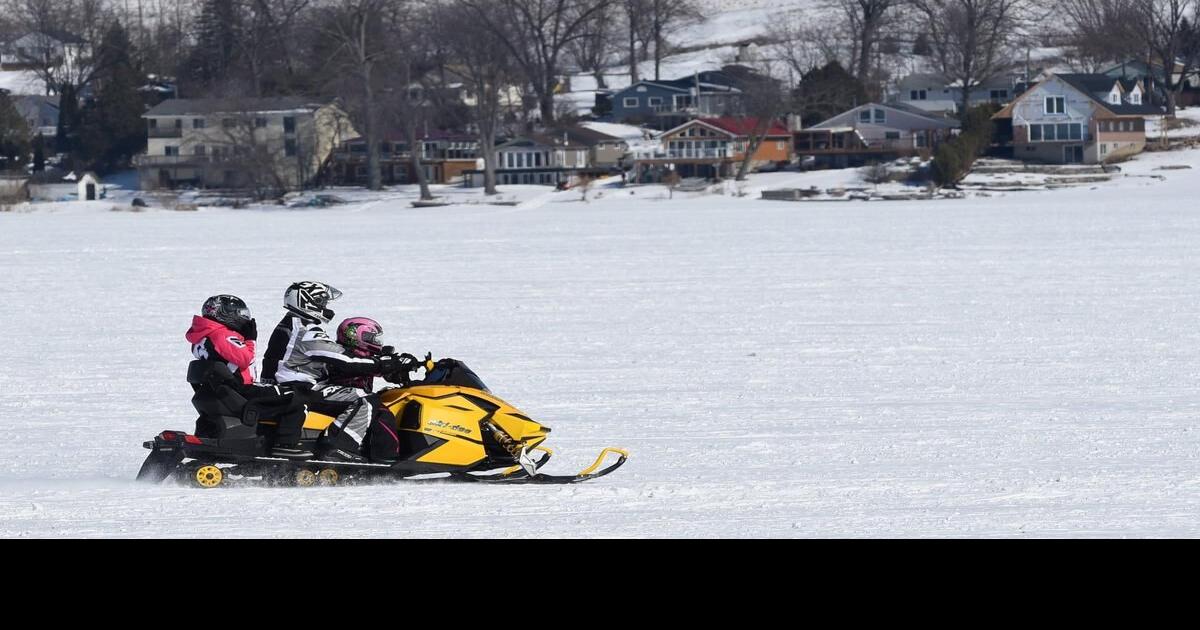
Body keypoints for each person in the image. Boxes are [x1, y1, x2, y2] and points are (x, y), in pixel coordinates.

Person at [261, 283, 415, 462]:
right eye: (321, 302)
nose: (325, 307)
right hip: (300, 388)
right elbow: (346, 360)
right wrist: (384, 364)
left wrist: (382, 365)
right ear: (306, 302)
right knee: (365, 398)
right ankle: (337, 446)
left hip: (288, 386)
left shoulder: (290, 325)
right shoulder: (305, 330)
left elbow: (324, 363)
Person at [186, 295, 310, 459]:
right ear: (225, 314)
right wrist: (250, 339)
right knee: (295, 397)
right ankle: (285, 445)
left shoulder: (203, 336)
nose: (244, 319)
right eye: (240, 314)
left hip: (223, 390)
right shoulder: (222, 335)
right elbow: (245, 358)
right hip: (241, 390)